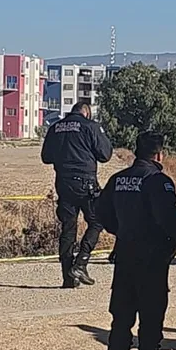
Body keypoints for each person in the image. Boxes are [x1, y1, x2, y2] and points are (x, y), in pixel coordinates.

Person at [96, 131, 176, 350]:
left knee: (121, 315)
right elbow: (168, 217)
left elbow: (101, 212)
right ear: (159, 155)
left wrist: (121, 231)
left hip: (125, 254)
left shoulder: (118, 179)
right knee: (150, 316)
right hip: (152, 259)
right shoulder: (157, 181)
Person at [41, 102, 113, 288]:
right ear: (86, 113)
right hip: (85, 183)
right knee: (98, 221)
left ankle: (68, 277)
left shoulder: (56, 127)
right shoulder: (90, 126)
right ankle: (81, 263)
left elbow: (46, 157)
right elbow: (105, 155)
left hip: (63, 184)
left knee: (68, 228)